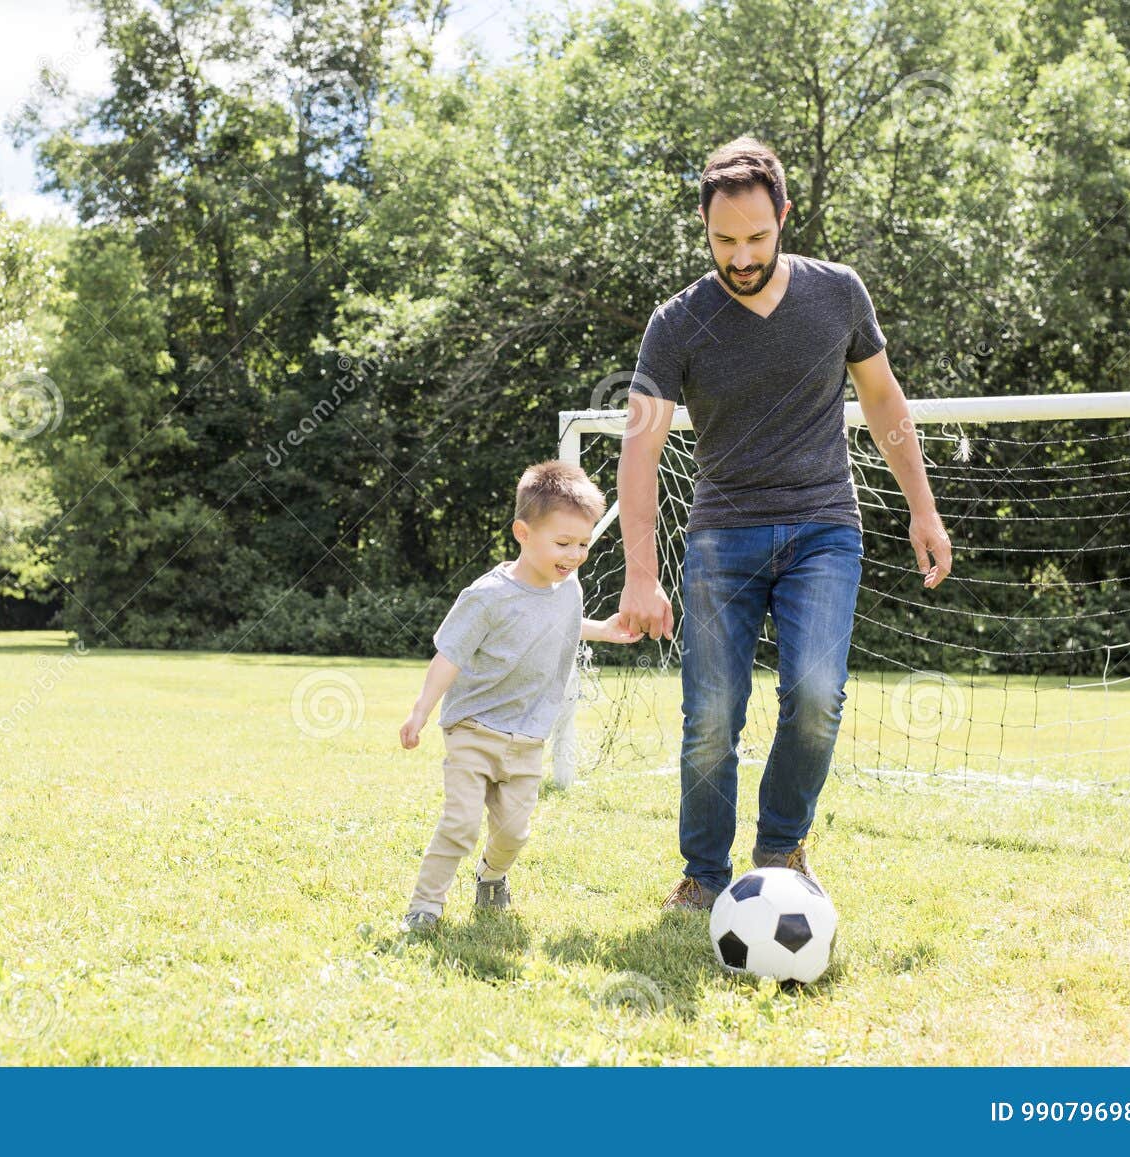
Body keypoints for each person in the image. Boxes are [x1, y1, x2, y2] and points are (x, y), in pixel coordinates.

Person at [615, 135, 953, 910]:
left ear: (785, 217)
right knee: (709, 718)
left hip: (823, 527)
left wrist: (923, 508)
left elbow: (884, 402)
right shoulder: (677, 323)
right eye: (723, 240)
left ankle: (778, 849)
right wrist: (641, 570)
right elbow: (641, 449)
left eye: (757, 238)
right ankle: (703, 877)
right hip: (720, 538)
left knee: (814, 694)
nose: (740, 256)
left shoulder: (838, 294)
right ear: (704, 229)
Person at [399, 460, 642, 931]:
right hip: (473, 727)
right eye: (563, 543)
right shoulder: (487, 597)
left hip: (530, 735)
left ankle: (491, 876)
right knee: (461, 824)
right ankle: (425, 906)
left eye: (584, 545)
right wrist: (420, 713)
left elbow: (562, 628)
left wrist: (606, 631)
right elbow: (448, 656)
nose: (574, 555)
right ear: (523, 533)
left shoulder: (567, 588)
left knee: (513, 832)